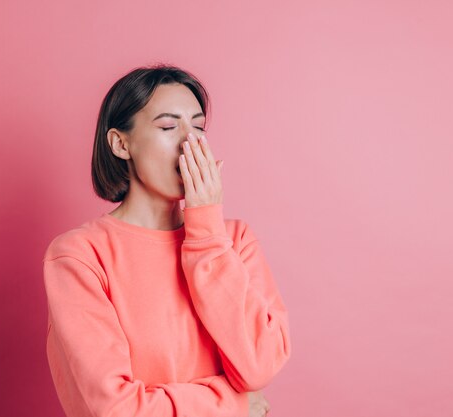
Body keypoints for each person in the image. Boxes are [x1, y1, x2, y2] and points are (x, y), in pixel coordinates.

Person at [42, 64, 291, 417]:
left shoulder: (234, 241)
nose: (191, 141)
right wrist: (233, 405)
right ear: (120, 143)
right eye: (168, 126)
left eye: (199, 126)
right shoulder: (80, 256)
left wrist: (206, 229)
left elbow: (260, 365)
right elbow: (115, 408)